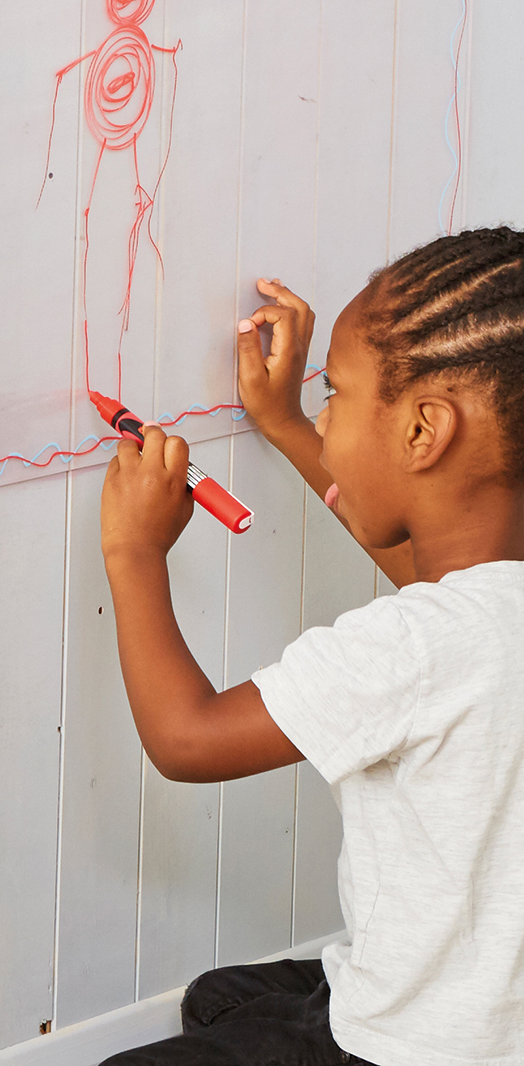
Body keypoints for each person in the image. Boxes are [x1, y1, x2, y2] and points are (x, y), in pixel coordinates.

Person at [97, 229, 524, 1065]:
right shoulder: (482, 611)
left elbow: (186, 739)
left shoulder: (410, 647)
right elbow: (432, 578)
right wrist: (289, 422)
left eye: (337, 394)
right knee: (221, 999)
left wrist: (135, 551)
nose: (326, 416)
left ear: (423, 432)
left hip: (417, 1048)